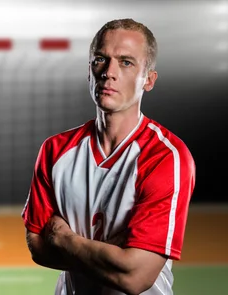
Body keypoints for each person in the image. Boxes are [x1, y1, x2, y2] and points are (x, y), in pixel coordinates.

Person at [21, 18, 196, 295]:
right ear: (89, 72)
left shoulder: (165, 156)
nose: (109, 72)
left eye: (126, 62)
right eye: (100, 60)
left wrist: (64, 239)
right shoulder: (56, 150)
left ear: (148, 80)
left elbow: (136, 278)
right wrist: (115, 257)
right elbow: (39, 247)